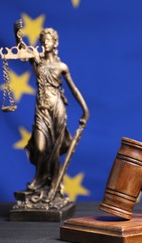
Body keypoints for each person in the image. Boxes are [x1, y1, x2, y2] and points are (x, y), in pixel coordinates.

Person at [15, 24, 89, 204]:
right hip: (41, 110)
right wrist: (17, 34)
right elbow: (22, 49)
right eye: (42, 40)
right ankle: (40, 180)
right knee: (40, 148)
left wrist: (85, 110)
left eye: (48, 40)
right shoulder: (37, 61)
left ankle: (53, 186)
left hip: (57, 110)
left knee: (54, 151)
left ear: (55, 43)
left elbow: (74, 89)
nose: (44, 43)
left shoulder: (61, 66)